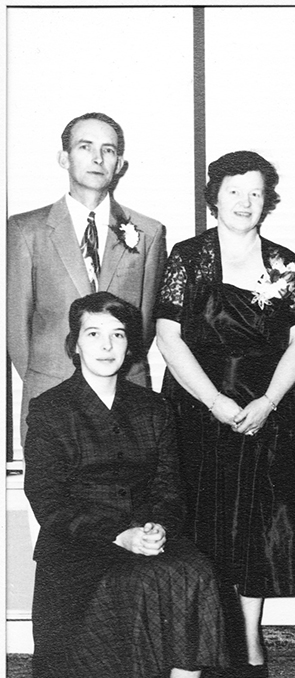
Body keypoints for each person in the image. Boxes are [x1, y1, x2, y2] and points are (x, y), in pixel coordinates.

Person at [24, 292, 228, 678]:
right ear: (75, 344)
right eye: (94, 334)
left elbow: (168, 486)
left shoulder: (153, 408)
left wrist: (157, 526)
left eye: (118, 335)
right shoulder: (51, 410)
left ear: (130, 346)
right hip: (78, 552)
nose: (107, 345)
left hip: (147, 537)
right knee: (134, 586)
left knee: (193, 573)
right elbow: (48, 502)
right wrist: (119, 535)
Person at [155, 151, 295, 678]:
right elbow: (168, 336)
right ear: (215, 196)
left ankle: (249, 637)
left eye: (256, 192)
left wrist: (268, 401)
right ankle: (210, 633)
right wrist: (214, 402)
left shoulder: (285, 263)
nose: (245, 202)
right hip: (201, 410)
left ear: (267, 200)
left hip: (269, 410)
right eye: (234, 191)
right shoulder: (188, 256)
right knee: (205, 522)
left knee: (257, 524)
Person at [8, 111, 167, 442]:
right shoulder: (26, 230)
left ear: (119, 163)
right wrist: (49, 382)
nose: (98, 158)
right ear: (63, 158)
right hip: (50, 395)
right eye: (85, 147)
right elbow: (15, 329)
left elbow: (145, 323)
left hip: (125, 397)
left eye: (108, 150)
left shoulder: (148, 232)